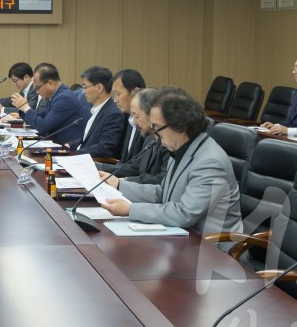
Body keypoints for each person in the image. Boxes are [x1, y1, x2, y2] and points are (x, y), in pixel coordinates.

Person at [100, 87, 243, 235]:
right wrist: (119, 185)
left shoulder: (210, 162)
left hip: (211, 246)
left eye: (156, 127)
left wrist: (130, 210)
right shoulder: (181, 148)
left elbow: (185, 214)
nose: (154, 133)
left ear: (179, 126)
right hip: (181, 236)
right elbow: (164, 193)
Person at [7, 63, 90, 147]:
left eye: (37, 87)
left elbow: (43, 127)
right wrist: (22, 108)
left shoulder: (64, 98)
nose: (37, 92)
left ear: (49, 83)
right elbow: (39, 119)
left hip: (69, 149)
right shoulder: (54, 95)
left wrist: (26, 108)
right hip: (55, 144)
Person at [101, 88, 167, 185]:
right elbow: (134, 167)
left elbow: (162, 180)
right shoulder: (149, 139)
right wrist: (96, 167)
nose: (134, 122)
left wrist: (121, 182)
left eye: (136, 116)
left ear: (151, 114)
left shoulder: (169, 143)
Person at [73, 66, 125, 159]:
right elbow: (87, 139)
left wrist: (74, 154)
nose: (83, 92)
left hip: (94, 165)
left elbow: (105, 148)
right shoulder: (97, 109)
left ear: (99, 87)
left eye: (85, 87)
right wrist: (69, 146)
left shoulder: (113, 113)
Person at [111, 69, 146, 161]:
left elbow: (137, 167)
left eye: (118, 94)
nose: (115, 100)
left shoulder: (147, 123)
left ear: (135, 92)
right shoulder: (128, 118)